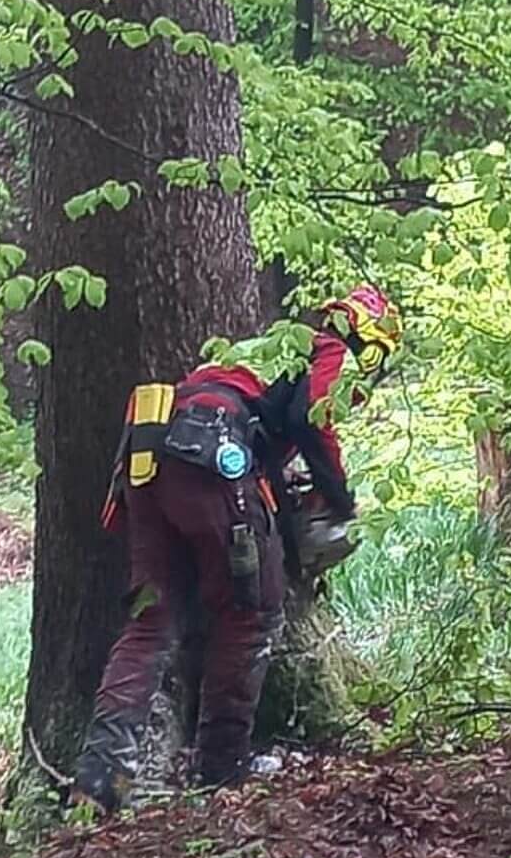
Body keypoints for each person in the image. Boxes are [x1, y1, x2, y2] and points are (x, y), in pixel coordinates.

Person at [72, 284, 402, 810]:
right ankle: (220, 770)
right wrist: (339, 500)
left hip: (150, 457)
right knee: (251, 613)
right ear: (369, 339)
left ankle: (99, 778)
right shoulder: (329, 351)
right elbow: (311, 421)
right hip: (213, 456)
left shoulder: (268, 350)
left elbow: (269, 431)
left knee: (151, 619)